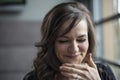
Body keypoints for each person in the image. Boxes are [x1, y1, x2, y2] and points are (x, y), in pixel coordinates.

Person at [23, 2, 116, 80]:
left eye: (81, 40)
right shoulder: (33, 78)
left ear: (89, 40)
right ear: (50, 43)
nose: (74, 49)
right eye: (64, 41)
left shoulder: (103, 73)